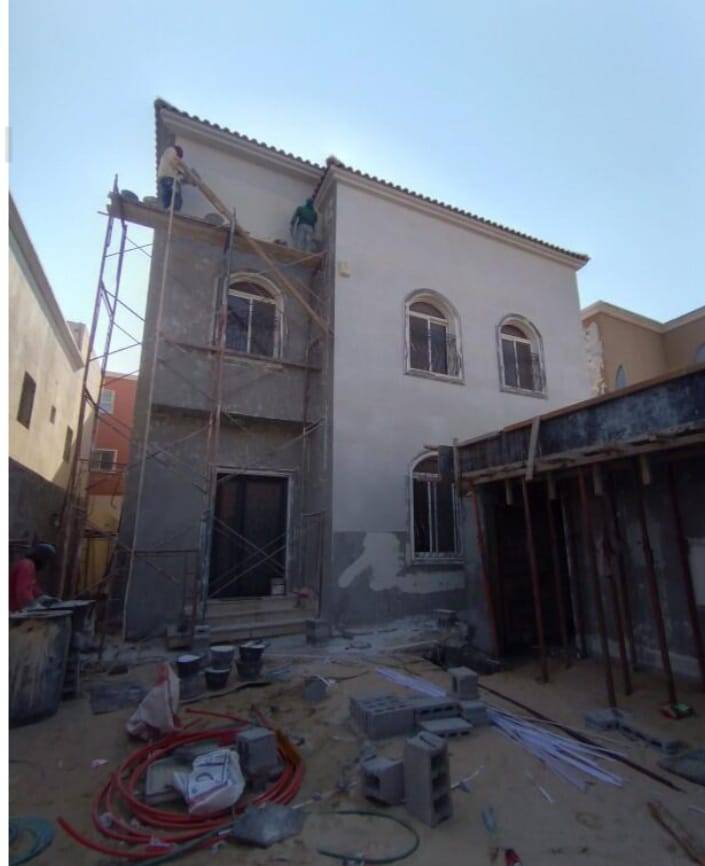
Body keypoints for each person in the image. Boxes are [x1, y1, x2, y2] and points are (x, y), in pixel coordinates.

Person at [9, 543, 57, 612]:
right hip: (13, 610)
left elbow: (33, 588)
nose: (46, 564)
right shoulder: (27, 565)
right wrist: (32, 606)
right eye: (46, 560)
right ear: (41, 557)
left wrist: (43, 597)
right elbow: (23, 591)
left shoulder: (29, 565)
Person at [157, 144, 185, 212]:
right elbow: (172, 161)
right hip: (169, 178)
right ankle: (174, 210)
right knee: (176, 195)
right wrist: (181, 170)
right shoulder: (171, 150)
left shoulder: (166, 155)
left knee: (167, 195)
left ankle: (167, 209)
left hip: (164, 178)